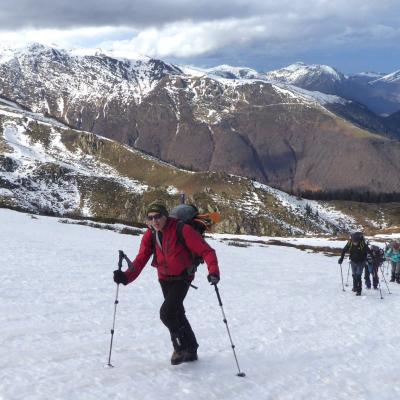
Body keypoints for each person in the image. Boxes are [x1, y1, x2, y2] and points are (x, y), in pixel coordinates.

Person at [113, 201, 220, 365]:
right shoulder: (150, 235)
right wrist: (126, 277)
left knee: (167, 313)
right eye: (151, 218)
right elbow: (141, 259)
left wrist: (213, 272)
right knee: (177, 313)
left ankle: (179, 347)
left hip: (183, 277)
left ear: (165, 216)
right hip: (164, 278)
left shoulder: (182, 229)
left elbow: (207, 251)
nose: (155, 221)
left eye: (158, 217)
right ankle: (191, 349)